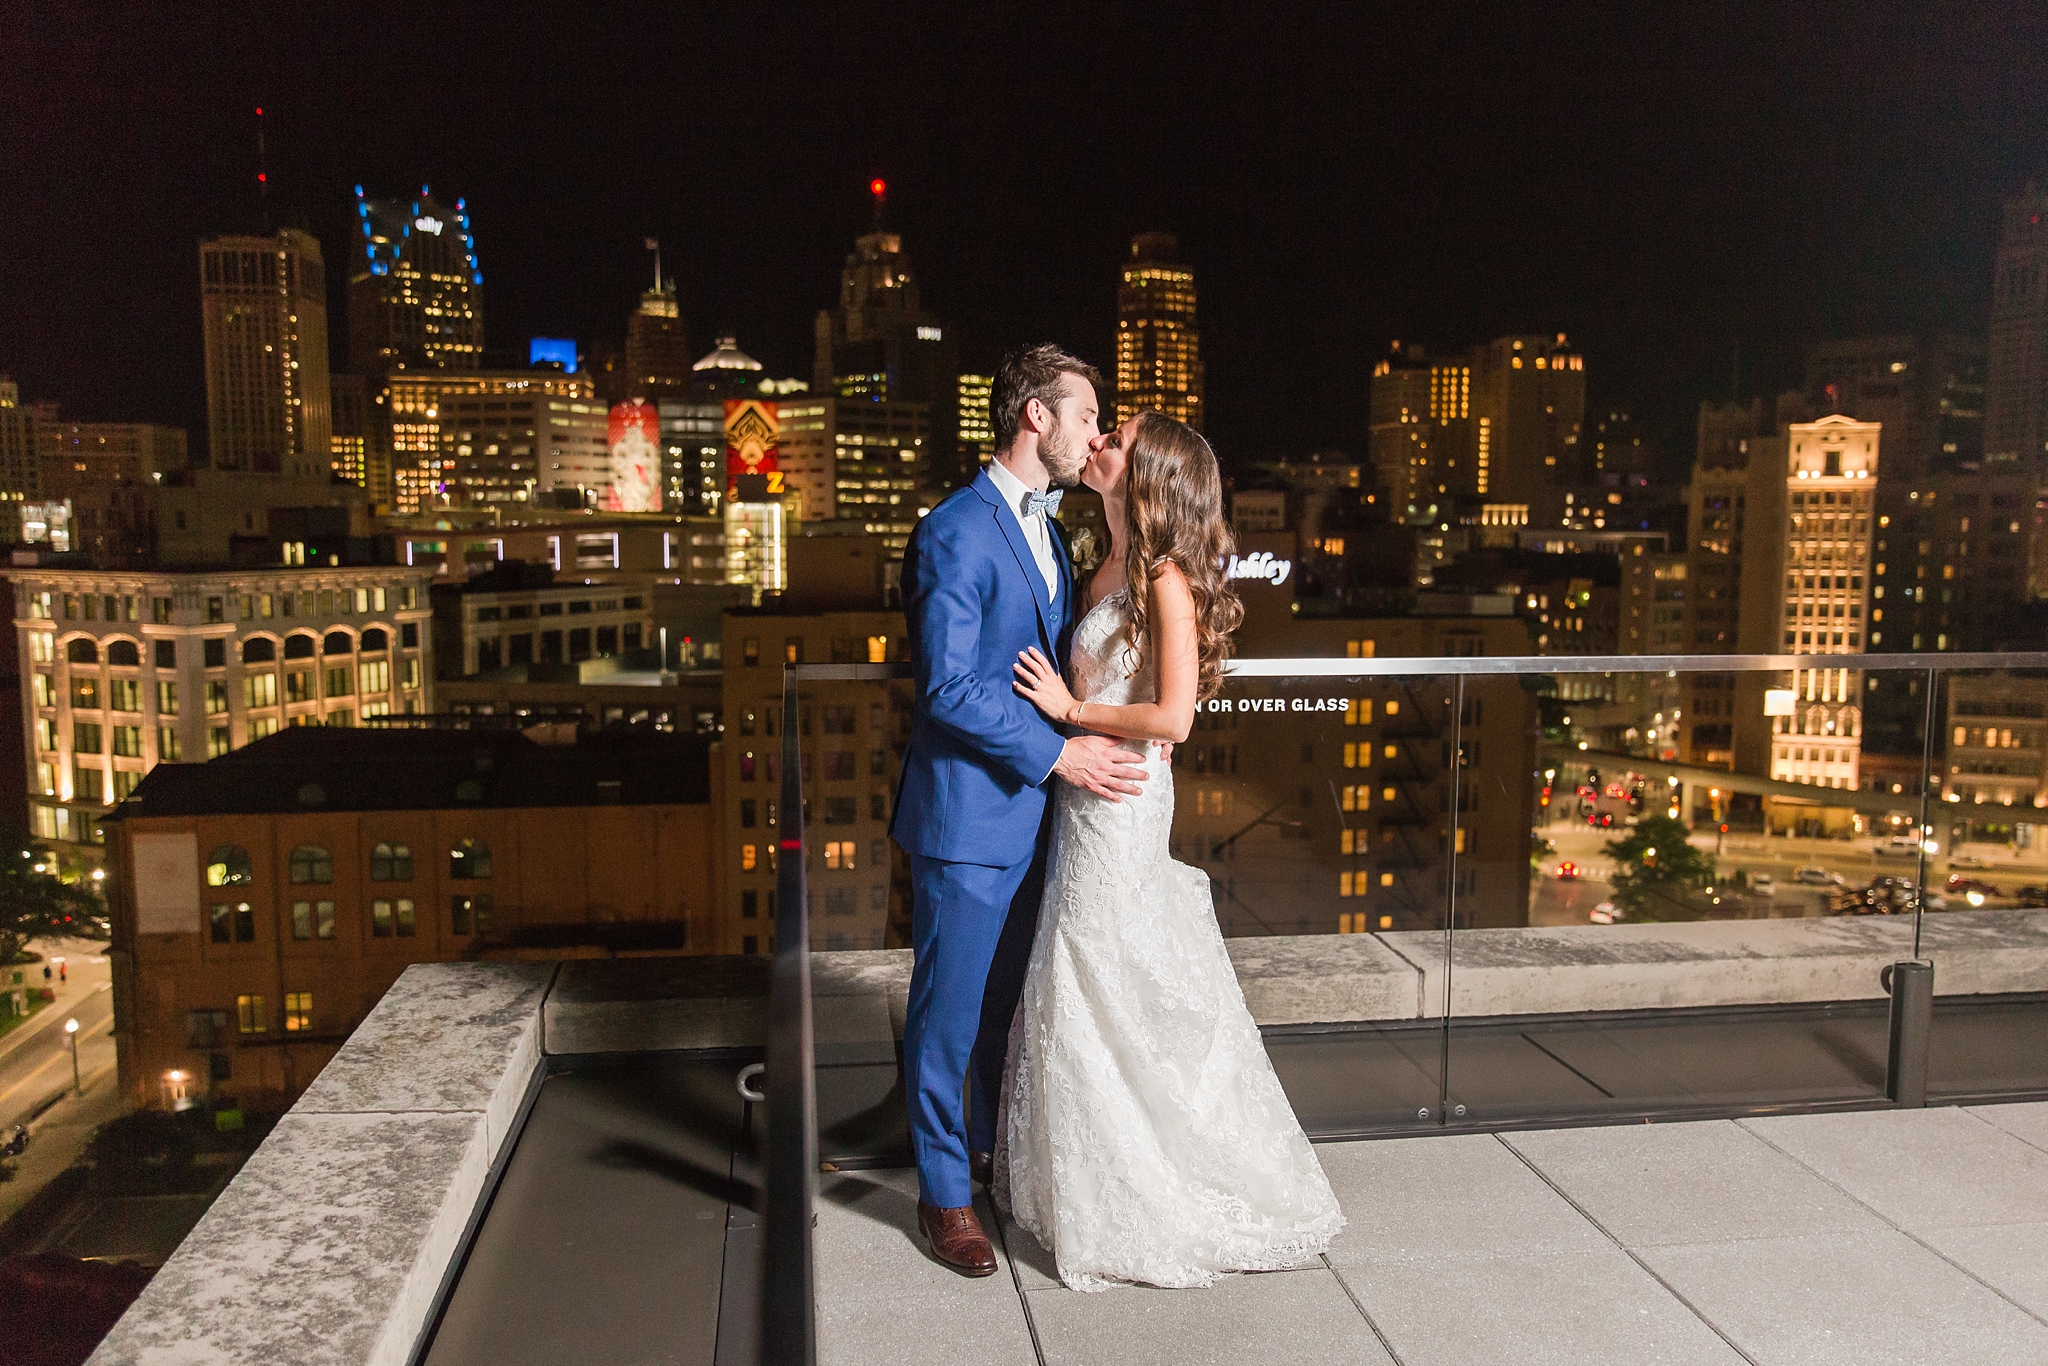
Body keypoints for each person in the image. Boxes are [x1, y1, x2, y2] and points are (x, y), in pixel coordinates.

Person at [1000, 409, 1345, 1290]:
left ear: (1146, 469)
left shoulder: (1162, 578)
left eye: (1119, 435)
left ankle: (1160, 1183)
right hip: (1081, 795)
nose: (1102, 440)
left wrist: (1070, 714)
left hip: (1122, 802)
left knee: (1100, 966)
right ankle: (1090, 1184)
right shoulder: (1100, 562)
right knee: (1079, 972)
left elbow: (1175, 718)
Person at [891, 344, 1152, 1277]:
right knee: (947, 1015)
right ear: (1035, 418)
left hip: (1043, 823)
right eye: (1086, 416)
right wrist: (1061, 750)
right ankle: (944, 1195)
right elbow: (950, 687)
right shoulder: (955, 530)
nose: (1095, 434)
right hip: (969, 820)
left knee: (1008, 1008)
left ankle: (992, 1161)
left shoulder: (1051, 529)